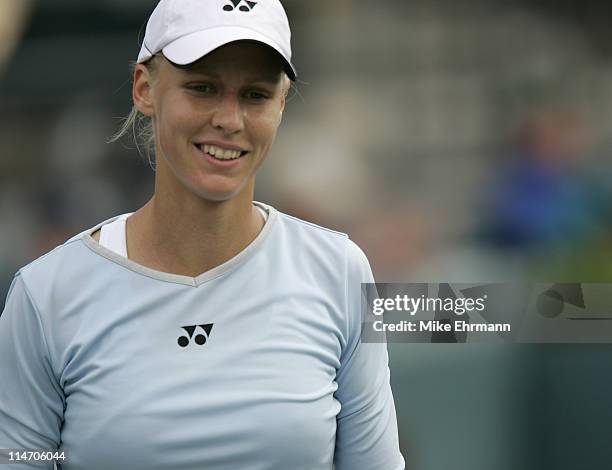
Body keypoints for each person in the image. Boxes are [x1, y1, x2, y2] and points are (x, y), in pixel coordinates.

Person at [0, 1, 405, 469]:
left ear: (281, 105)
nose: (229, 120)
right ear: (144, 88)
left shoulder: (340, 271)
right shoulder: (46, 295)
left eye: (254, 95)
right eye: (202, 88)